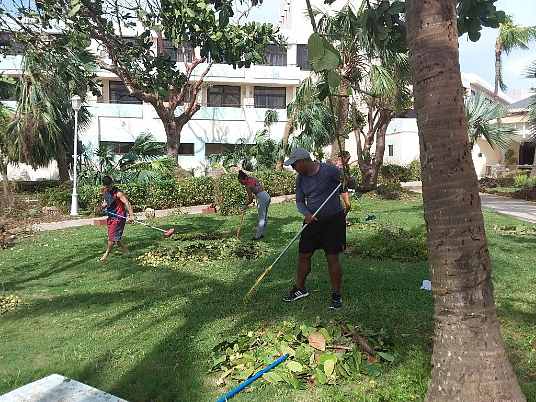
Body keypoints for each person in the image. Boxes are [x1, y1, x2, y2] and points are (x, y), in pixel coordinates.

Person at [282, 147, 355, 309]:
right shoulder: (300, 179)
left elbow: (351, 183)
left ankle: (336, 294)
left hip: (333, 220)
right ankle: (299, 289)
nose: (293, 168)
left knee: (332, 258)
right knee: (304, 255)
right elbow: (300, 201)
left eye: (294, 165)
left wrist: (348, 181)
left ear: (303, 161)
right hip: (312, 221)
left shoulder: (330, 170)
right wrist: (306, 214)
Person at [98, 175, 134, 260]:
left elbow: (127, 203)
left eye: (110, 186)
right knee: (115, 236)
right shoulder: (105, 191)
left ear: (112, 183)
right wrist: (100, 207)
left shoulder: (118, 193)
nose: (109, 188)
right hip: (111, 216)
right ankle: (125, 250)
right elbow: (106, 202)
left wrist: (131, 216)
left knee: (112, 238)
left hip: (119, 216)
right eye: (107, 187)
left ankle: (106, 255)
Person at [238, 170, 271, 240]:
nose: (241, 184)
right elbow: (259, 184)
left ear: (243, 179)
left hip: (262, 197)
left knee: (261, 218)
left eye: (241, 182)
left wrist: (245, 205)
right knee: (264, 217)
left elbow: (250, 200)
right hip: (266, 195)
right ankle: (261, 234)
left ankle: (257, 236)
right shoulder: (252, 178)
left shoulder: (248, 186)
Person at [335, 151, 352, 227]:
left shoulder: (347, 166)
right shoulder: (336, 166)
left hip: (344, 187)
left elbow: (348, 176)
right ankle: (341, 221)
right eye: (347, 159)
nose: (348, 161)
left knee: (348, 205)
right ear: (343, 158)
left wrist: (348, 179)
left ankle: (342, 219)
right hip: (335, 188)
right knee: (338, 207)